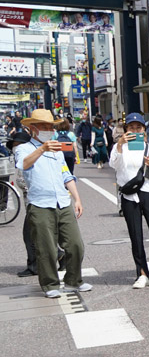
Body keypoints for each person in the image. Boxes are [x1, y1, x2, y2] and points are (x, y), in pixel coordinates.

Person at [15, 109, 91, 298]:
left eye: (50, 126)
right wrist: (42, 149)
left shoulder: (57, 150)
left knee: (75, 245)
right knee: (46, 248)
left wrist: (77, 198)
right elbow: (23, 165)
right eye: (43, 126)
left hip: (62, 201)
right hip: (40, 204)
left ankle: (74, 281)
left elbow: (66, 174)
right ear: (32, 129)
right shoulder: (24, 148)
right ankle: (50, 284)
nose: (48, 130)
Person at [110, 112, 149, 291]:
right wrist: (120, 145)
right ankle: (142, 273)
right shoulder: (119, 148)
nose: (135, 130)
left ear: (144, 130)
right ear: (125, 130)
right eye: (131, 128)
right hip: (130, 195)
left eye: (138, 127)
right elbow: (115, 166)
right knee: (135, 235)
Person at [10, 130, 37, 278]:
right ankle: (60, 255)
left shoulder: (26, 159)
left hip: (34, 201)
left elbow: (25, 182)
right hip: (35, 201)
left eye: (16, 144)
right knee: (39, 233)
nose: (15, 148)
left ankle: (34, 266)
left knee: (29, 235)